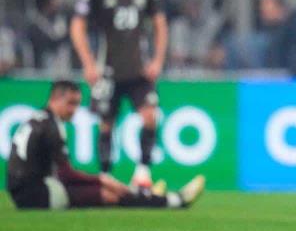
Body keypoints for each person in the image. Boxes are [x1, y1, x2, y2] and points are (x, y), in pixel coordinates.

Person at [6, 80, 204, 210]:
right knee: (109, 194)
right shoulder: (52, 126)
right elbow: (66, 175)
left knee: (108, 190)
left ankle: (146, 196)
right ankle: (175, 200)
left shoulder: (37, 118)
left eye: (77, 104)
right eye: (71, 103)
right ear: (55, 99)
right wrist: (100, 179)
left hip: (24, 192)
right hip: (38, 195)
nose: (74, 110)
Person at [70, 0, 168, 188]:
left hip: (139, 69)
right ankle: (105, 176)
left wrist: (157, 60)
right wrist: (89, 64)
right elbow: (77, 26)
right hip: (107, 69)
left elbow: (160, 25)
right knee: (106, 123)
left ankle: (143, 172)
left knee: (150, 116)